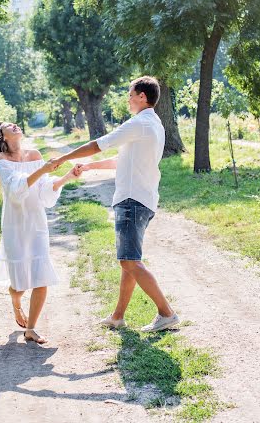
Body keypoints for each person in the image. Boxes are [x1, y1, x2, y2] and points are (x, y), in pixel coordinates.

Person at [49, 76, 180, 333]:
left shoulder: (139, 123)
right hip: (142, 198)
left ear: (142, 96)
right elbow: (122, 160)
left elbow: (98, 144)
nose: (128, 99)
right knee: (129, 260)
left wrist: (63, 157)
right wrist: (88, 167)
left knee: (129, 261)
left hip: (132, 200)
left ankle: (167, 313)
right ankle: (118, 316)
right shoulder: (153, 124)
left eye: (131, 94)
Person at [0, 121, 81, 344]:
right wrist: (43, 169)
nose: (14, 126)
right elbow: (16, 190)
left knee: (41, 276)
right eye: (9, 126)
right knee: (19, 284)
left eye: (15, 124)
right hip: (15, 225)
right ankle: (16, 304)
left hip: (36, 223)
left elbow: (44, 190)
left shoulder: (34, 154)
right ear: (2, 136)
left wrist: (67, 177)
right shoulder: (1, 160)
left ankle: (31, 329)